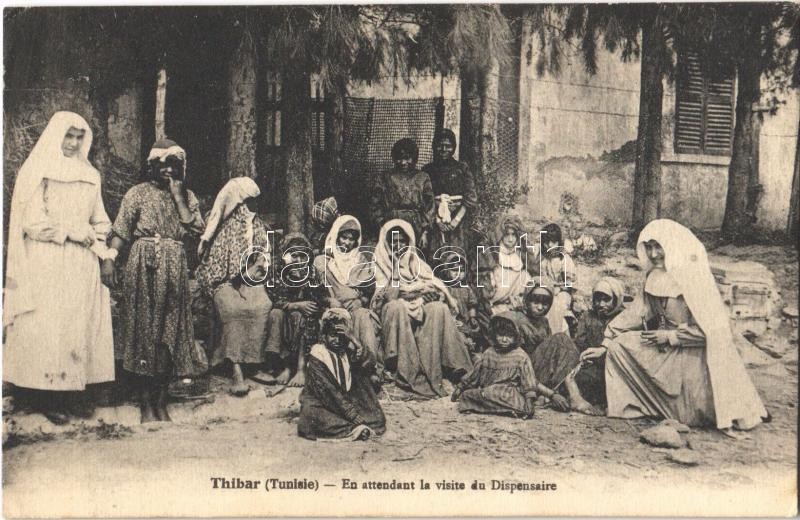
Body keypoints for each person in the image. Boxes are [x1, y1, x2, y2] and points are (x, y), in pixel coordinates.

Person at [584, 219, 768, 430]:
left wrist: (672, 337)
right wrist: (606, 342)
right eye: (649, 247)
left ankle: (680, 412)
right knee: (619, 346)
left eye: (659, 247)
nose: (653, 254)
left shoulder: (695, 280)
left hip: (694, 354)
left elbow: (714, 332)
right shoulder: (653, 277)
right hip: (663, 346)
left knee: (694, 405)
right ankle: (643, 405)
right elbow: (637, 313)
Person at [3, 111, 115, 424]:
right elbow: (33, 222)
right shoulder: (38, 171)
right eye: (68, 135)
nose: (73, 143)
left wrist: (100, 244)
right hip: (48, 259)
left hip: (82, 261)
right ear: (56, 135)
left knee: (76, 324)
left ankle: (72, 393)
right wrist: (70, 232)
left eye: (80, 137)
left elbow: (101, 218)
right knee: (51, 326)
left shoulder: (90, 175)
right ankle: (47, 394)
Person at [109, 138, 205, 423]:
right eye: (161, 165)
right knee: (143, 332)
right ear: (152, 167)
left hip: (174, 267)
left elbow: (196, 229)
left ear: (180, 167)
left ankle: (161, 401)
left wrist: (177, 196)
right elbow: (121, 230)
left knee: (169, 333)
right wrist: (109, 258)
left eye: (172, 165)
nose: (167, 171)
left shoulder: (187, 196)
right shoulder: (137, 193)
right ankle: (145, 403)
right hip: (143, 264)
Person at [370, 219, 472, 398]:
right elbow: (385, 295)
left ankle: (458, 369)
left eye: (402, 242)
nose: (399, 246)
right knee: (397, 306)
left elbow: (433, 284)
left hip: (417, 306)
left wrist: (422, 293)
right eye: (394, 242)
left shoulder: (415, 261)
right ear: (387, 243)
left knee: (438, 308)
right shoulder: (379, 261)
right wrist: (397, 272)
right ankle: (403, 369)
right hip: (391, 311)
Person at [195, 177, 272, 397]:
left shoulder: (257, 225)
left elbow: (264, 255)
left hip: (252, 279)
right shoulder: (224, 227)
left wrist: (256, 270)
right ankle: (236, 369)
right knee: (233, 308)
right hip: (224, 281)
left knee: (262, 305)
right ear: (238, 204)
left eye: (255, 202)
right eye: (248, 202)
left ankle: (253, 364)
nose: (252, 207)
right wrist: (236, 277)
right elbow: (215, 265)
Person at [500, 282, 597, 414]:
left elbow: (549, 354)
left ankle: (552, 393)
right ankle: (573, 396)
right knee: (560, 339)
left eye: (545, 303)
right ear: (527, 300)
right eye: (535, 302)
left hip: (537, 372)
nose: (540, 307)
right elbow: (513, 361)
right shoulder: (516, 320)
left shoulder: (543, 321)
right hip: (521, 373)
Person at [451, 315, 569, 418]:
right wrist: (460, 387)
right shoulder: (489, 352)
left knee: (507, 398)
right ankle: (503, 409)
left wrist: (529, 400)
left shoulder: (520, 356)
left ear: (515, 336)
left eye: (509, 336)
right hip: (488, 391)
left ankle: (506, 408)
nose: (504, 339)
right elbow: (474, 374)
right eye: (500, 335)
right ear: (494, 335)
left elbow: (529, 381)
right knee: (468, 395)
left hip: (509, 393)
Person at [298, 309, 386, 441]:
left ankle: (353, 426)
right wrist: (353, 415)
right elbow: (328, 391)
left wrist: (355, 341)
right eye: (333, 335)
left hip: (345, 402)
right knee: (310, 416)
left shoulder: (347, 352)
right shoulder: (318, 355)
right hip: (323, 402)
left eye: (341, 336)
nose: (337, 340)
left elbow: (368, 365)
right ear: (324, 336)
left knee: (378, 417)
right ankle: (354, 428)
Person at [314, 215, 382, 382]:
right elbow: (316, 290)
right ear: (336, 236)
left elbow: (368, 290)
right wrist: (329, 300)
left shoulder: (360, 260)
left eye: (352, 239)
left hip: (355, 307)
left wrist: (361, 298)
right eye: (343, 237)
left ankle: (369, 367)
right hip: (333, 307)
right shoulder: (322, 261)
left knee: (364, 317)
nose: (347, 243)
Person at [265, 233, 330, 387]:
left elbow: (320, 298)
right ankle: (285, 367)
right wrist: (294, 304)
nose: (299, 261)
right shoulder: (277, 271)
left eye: (302, 257)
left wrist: (303, 285)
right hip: (287, 312)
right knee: (276, 314)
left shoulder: (312, 272)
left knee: (300, 317)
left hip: (307, 317)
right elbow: (273, 298)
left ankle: (300, 368)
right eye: (294, 257)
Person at [369, 138, 435, 249]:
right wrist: (382, 225)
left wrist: (425, 232)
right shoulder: (385, 176)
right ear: (394, 159)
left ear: (414, 158)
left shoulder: (423, 177)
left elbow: (429, 206)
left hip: (416, 224)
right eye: (399, 158)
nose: (403, 162)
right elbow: (375, 203)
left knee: (413, 257)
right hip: (391, 222)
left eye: (407, 158)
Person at [421, 128, 479, 255]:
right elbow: (425, 200)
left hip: (459, 221)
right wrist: (437, 220)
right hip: (434, 220)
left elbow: (470, 197)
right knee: (436, 254)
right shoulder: (427, 170)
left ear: (453, 148)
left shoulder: (462, 168)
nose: (444, 149)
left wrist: (455, 221)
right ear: (434, 146)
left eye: (448, 146)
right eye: (440, 145)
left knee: (457, 254)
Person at [572, 277, 626, 407]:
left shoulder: (624, 318)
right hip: (591, 364)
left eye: (606, 299)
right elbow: (580, 342)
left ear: (616, 298)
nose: (601, 304)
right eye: (597, 299)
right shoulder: (587, 316)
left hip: (615, 366)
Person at [434, 251, 488, 354]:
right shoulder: (445, 289)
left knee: (475, 330)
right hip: (450, 319)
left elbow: (472, 304)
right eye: (454, 270)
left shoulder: (466, 289)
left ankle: (471, 346)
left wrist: (472, 317)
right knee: (455, 335)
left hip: (465, 319)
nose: (458, 273)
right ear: (446, 271)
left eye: (461, 270)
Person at [483, 215, 535, 316]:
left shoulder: (521, 256)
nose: (510, 239)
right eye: (507, 235)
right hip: (494, 305)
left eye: (514, 235)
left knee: (524, 274)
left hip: (515, 304)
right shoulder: (493, 255)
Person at [537, 222, 577, 335]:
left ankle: (559, 334)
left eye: (553, 242)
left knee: (557, 306)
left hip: (563, 293)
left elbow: (570, 284)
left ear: (559, 242)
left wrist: (560, 289)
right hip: (549, 291)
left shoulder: (564, 260)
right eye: (546, 243)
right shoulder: (543, 261)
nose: (550, 246)